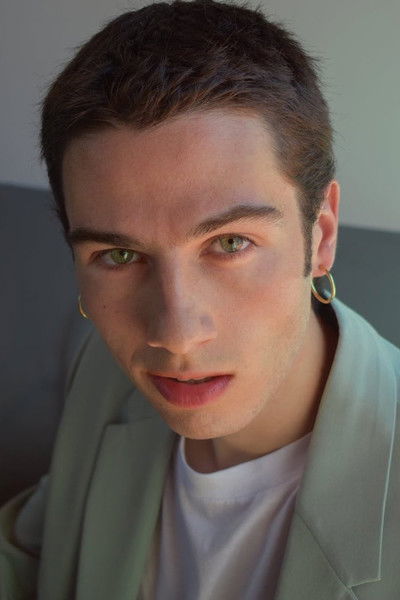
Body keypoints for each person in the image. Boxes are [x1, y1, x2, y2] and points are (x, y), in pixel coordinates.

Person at [1, 0, 399, 598]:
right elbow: (39, 547)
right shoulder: (105, 377)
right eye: (119, 255)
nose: (176, 336)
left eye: (230, 243)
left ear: (320, 235)